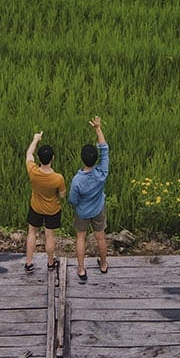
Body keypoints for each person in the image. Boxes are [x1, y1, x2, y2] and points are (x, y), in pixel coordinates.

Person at [68, 115, 111, 282]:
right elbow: (104, 149)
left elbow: (72, 200)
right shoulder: (102, 173)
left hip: (82, 212)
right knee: (100, 237)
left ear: (82, 159)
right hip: (98, 209)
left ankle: (81, 269)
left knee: (81, 238)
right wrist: (98, 129)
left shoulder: (77, 180)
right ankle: (103, 265)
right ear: (95, 160)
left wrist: (78, 206)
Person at [24, 130, 64, 273]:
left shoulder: (33, 171)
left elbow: (28, 155)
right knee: (49, 235)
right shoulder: (58, 178)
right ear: (52, 158)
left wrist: (35, 139)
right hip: (52, 210)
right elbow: (63, 195)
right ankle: (50, 263)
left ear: (39, 159)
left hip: (35, 207)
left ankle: (28, 263)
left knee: (32, 232)